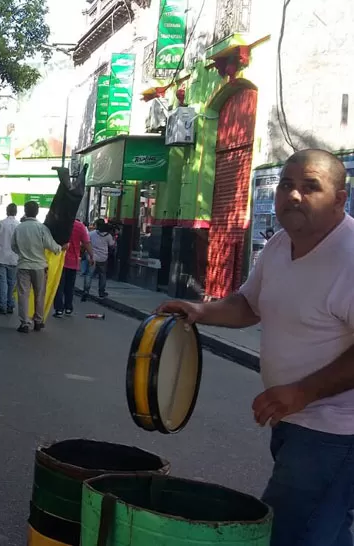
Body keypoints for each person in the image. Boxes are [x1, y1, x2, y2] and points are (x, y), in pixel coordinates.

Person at [157, 149, 354, 546]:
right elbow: (249, 304)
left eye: (310, 187)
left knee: (285, 533)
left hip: (336, 432)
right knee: (326, 529)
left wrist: (302, 392)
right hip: (292, 422)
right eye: (286, 185)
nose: (293, 196)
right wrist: (199, 309)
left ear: (339, 197)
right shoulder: (280, 244)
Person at [12, 201, 63, 333]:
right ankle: (38, 321)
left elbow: (13, 246)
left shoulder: (19, 228)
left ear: (25, 210)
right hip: (40, 266)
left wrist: (23, 253)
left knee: (23, 294)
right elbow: (51, 246)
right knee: (39, 294)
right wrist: (61, 248)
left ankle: (24, 323)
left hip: (23, 265)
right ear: (37, 212)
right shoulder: (42, 228)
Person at [54, 218, 94, 317]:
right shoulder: (80, 226)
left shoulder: (60, 224)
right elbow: (86, 242)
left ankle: (59, 309)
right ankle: (68, 308)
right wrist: (91, 256)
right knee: (70, 286)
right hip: (73, 261)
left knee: (59, 286)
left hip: (60, 261)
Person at [0, 203, 20, 315]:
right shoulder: (19, 225)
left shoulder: (0, 224)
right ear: (16, 212)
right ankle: (10, 304)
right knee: (12, 282)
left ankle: (2, 306)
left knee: (2, 282)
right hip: (14, 258)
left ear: (7, 211)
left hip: (1, 257)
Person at [82, 219, 115, 301]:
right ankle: (101, 292)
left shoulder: (91, 234)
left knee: (89, 274)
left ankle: (86, 291)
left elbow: (86, 242)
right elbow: (112, 245)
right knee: (102, 275)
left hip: (92, 257)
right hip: (103, 258)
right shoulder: (108, 236)